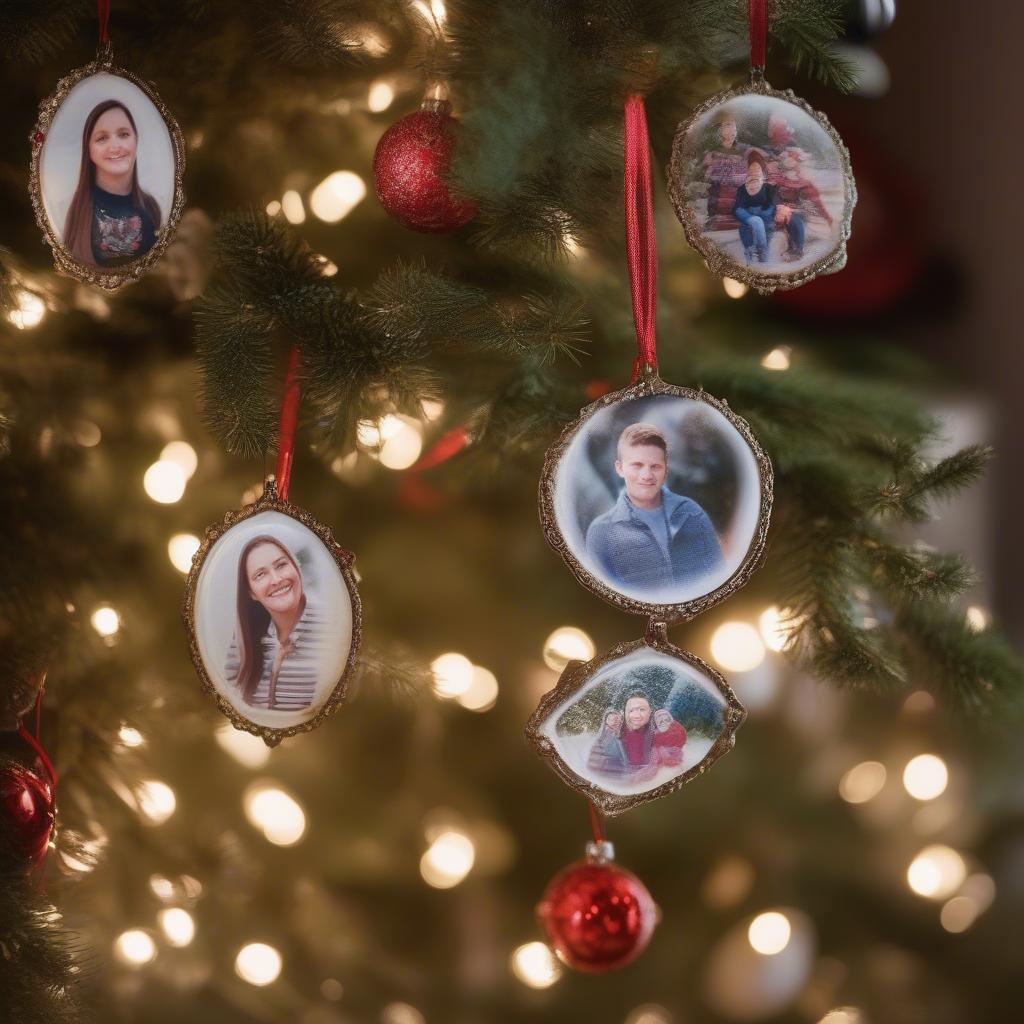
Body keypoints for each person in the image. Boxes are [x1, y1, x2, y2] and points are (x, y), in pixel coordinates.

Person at [585, 423, 724, 598]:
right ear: (620, 468)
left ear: (666, 470)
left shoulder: (692, 513)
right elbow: (600, 601)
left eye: (655, 466)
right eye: (637, 465)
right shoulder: (601, 532)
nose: (647, 475)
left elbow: (720, 579)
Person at [224, 535, 329, 712]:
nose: (276, 579)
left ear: (297, 568)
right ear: (251, 593)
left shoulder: (330, 629)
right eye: (260, 574)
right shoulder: (245, 642)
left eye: (281, 565)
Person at [62, 99, 162, 269]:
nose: (115, 146)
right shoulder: (79, 211)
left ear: (136, 140)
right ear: (89, 150)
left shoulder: (151, 207)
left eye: (123, 134)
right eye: (102, 138)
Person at [772, 148, 833, 262]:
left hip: (796, 212)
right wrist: (777, 207)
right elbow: (771, 196)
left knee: (794, 221)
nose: (790, 162)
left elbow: (817, 202)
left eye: (793, 160)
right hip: (777, 210)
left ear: (797, 166)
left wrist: (827, 218)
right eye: (788, 159)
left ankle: (796, 250)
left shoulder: (804, 184)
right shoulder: (777, 180)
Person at [701, 111, 749, 230]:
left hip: (737, 199)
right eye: (728, 125)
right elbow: (707, 175)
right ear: (720, 130)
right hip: (718, 199)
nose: (733, 129)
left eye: (734, 125)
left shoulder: (743, 151)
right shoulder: (712, 152)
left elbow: (746, 176)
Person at [733, 151, 776, 264]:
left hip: (765, 217)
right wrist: (749, 217)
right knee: (747, 226)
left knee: (766, 225)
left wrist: (763, 214)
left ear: (763, 173)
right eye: (751, 170)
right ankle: (750, 251)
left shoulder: (768, 188)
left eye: (757, 170)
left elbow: (773, 205)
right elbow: (737, 208)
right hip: (748, 216)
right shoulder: (742, 189)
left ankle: (763, 254)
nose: (754, 173)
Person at [586, 709, 627, 778]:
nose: (616, 721)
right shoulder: (607, 734)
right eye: (613, 719)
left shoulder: (615, 736)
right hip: (607, 772)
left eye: (618, 720)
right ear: (606, 721)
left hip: (613, 772)